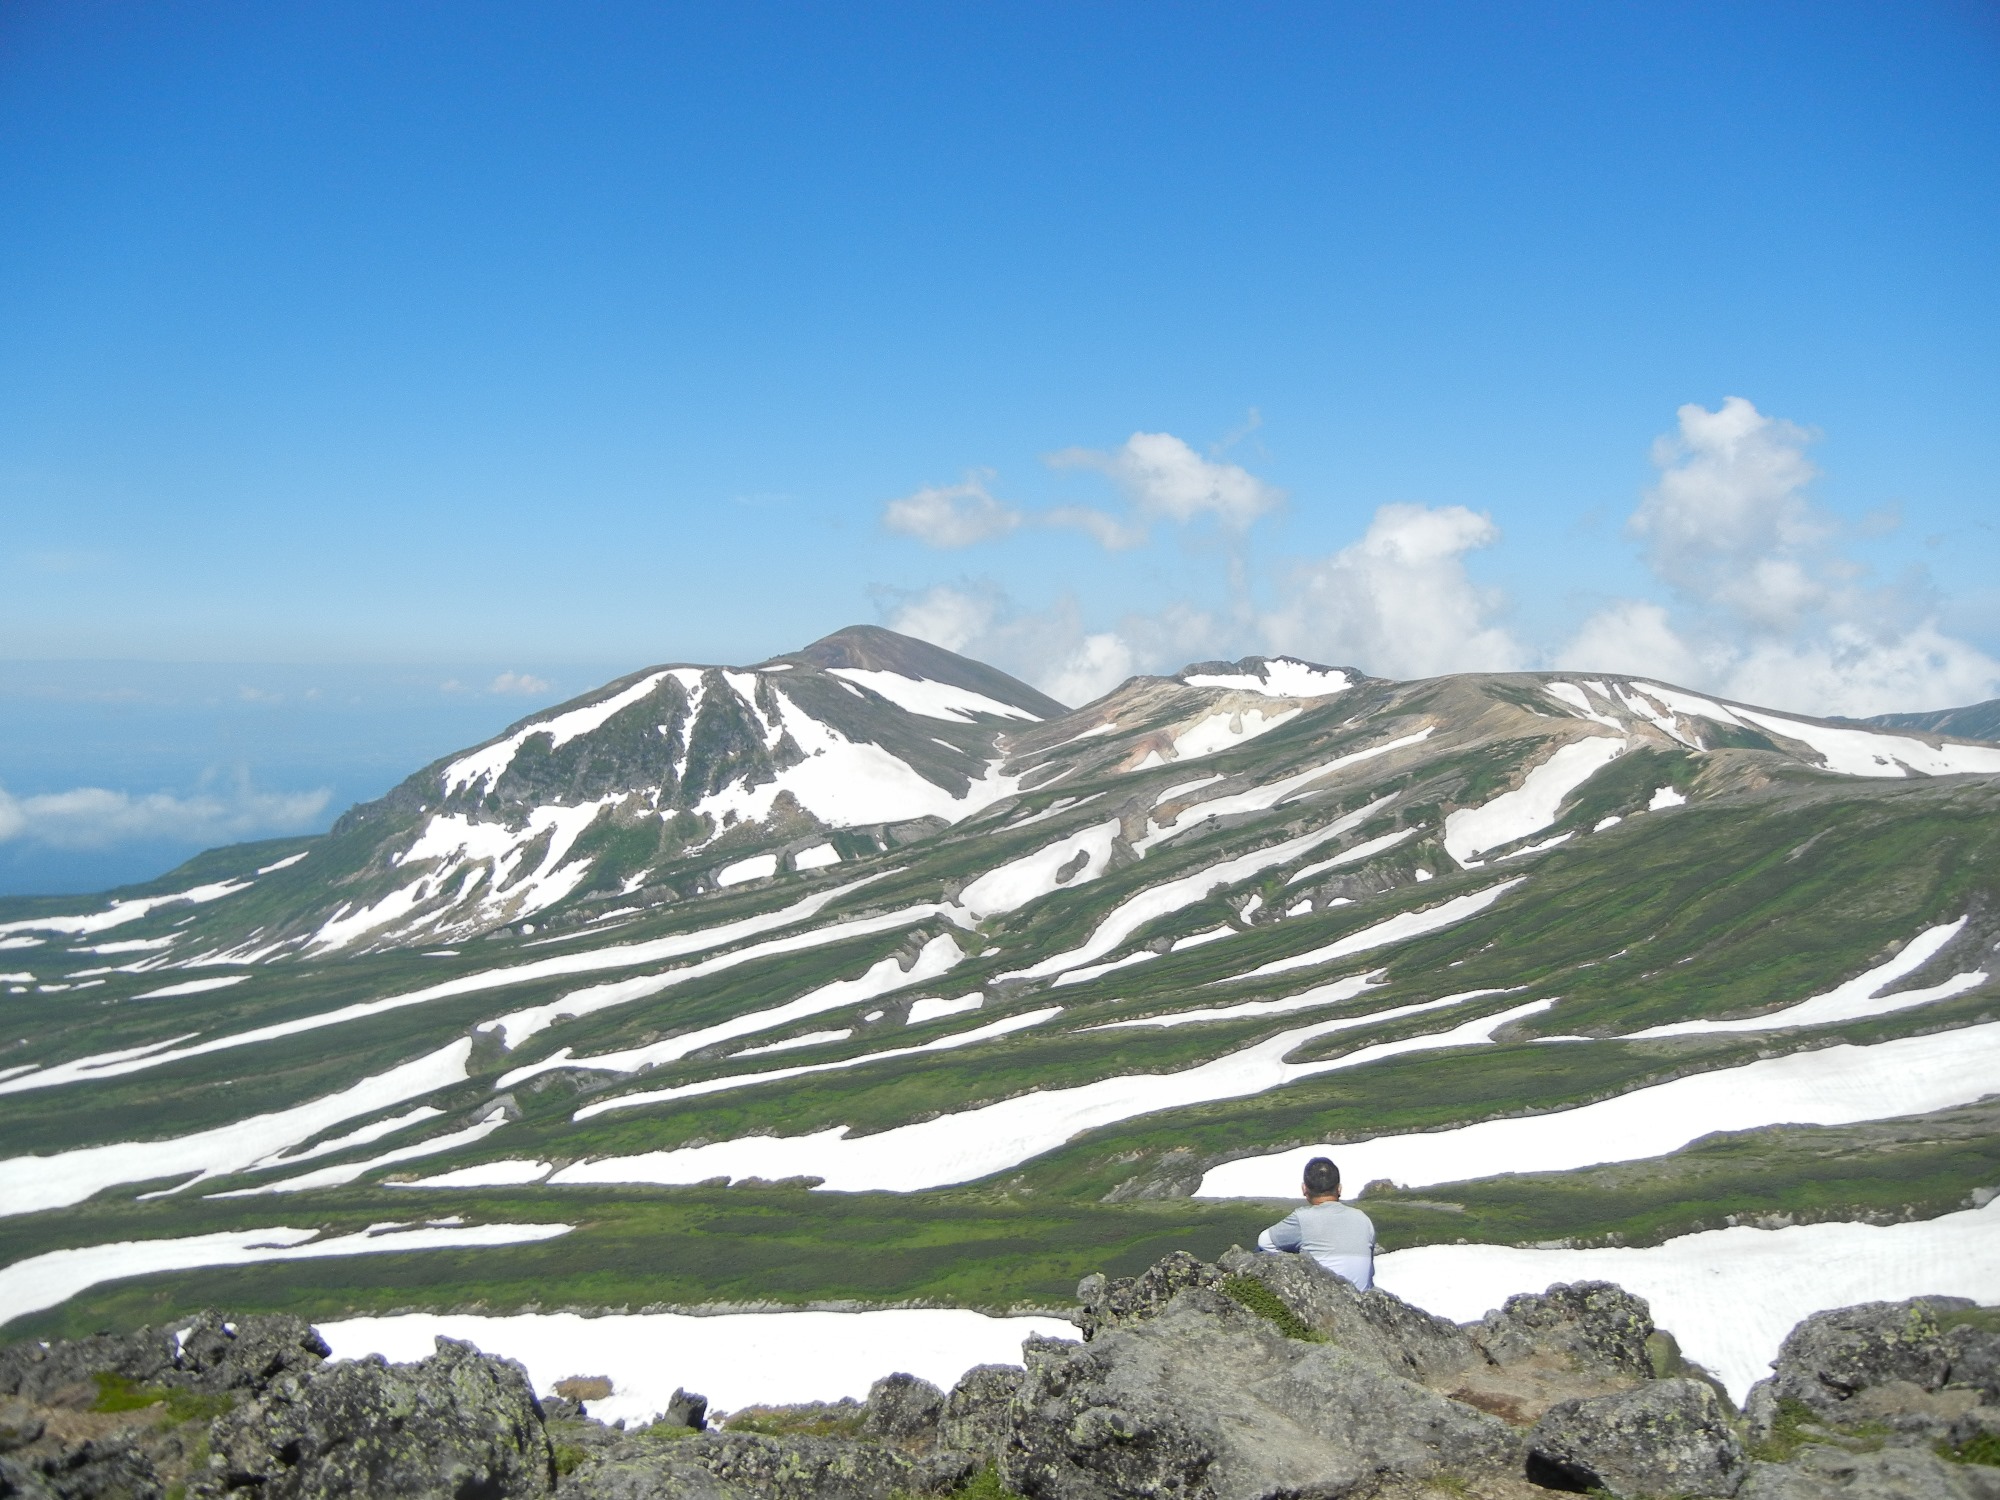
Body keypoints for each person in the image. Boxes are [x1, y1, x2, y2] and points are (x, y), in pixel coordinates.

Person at [1256, 1155, 1376, 1290]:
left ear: (1304, 1189)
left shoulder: (1302, 1218)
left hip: (1324, 1297)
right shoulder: (1363, 1219)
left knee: (1261, 1252)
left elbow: (1264, 1241)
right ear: (1339, 1189)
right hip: (1361, 1300)